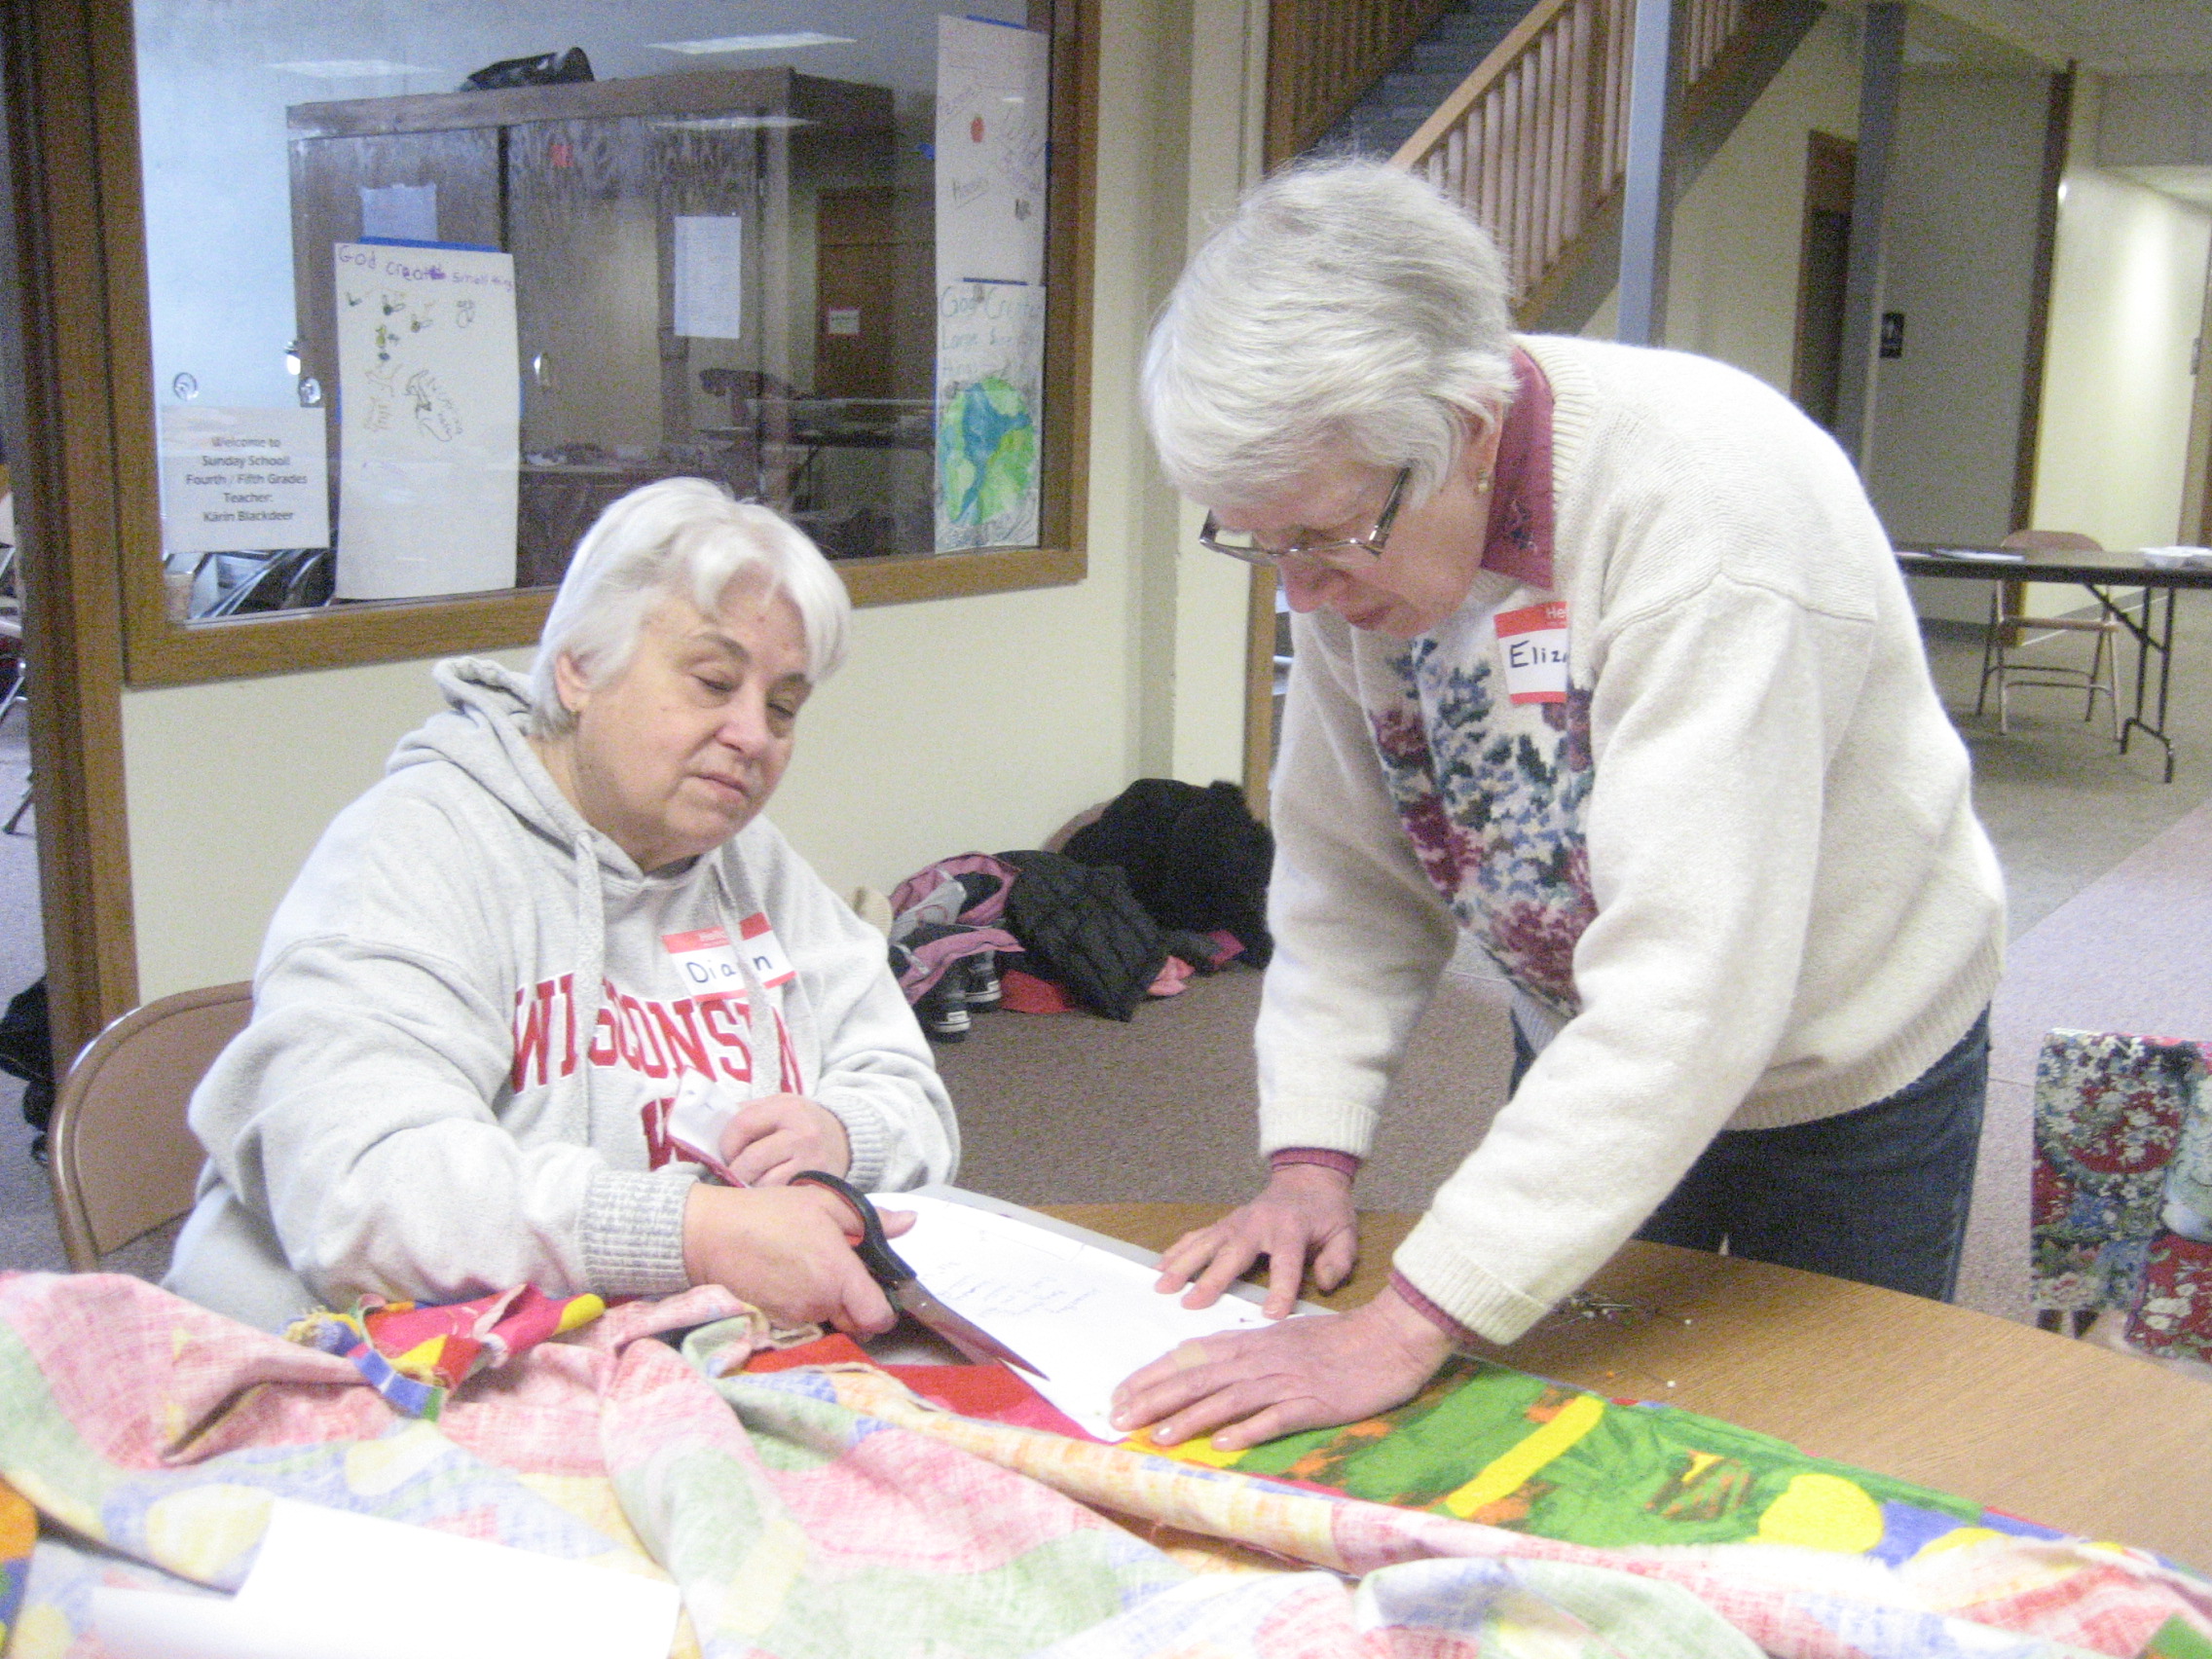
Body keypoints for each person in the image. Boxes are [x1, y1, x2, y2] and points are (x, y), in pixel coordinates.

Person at [1110, 163, 2004, 1453]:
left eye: (1320, 539)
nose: (1299, 595)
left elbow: (1692, 990)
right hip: (1593, 1031)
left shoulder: (1714, 516)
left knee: (1821, 1459)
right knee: (1579, 1437)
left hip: (1846, 1063)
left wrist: (1400, 1326)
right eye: (1261, 547)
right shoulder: (1373, 534)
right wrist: (1308, 1160)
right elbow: (1348, 882)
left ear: (1470, 432)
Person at [166, 479, 957, 1334]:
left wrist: (845, 1135)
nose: (753, 735)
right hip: (363, 1378)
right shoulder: (414, 848)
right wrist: (686, 1233)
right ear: (580, 667)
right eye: (711, 680)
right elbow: (367, 1187)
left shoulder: (747, 864)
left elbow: (912, 1093)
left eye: (783, 706)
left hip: (654, 1357)